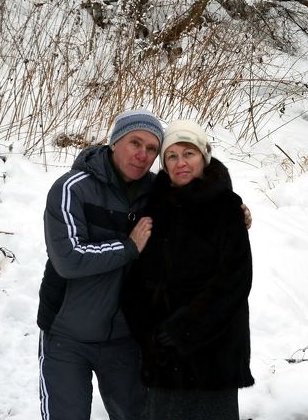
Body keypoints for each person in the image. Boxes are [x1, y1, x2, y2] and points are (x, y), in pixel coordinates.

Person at [36, 109, 250, 420]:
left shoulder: (155, 191)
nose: (142, 155)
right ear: (113, 143)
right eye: (135, 143)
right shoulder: (72, 188)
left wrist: (235, 208)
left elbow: (198, 194)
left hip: (123, 338)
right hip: (68, 333)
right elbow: (69, 259)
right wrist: (129, 247)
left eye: (152, 149)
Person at [123, 119, 254, 420]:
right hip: (162, 354)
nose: (181, 162)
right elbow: (136, 278)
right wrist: (149, 334)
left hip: (213, 351)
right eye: (172, 156)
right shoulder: (152, 207)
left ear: (204, 157)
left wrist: (184, 329)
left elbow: (234, 281)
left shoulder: (226, 207)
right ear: (164, 164)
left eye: (189, 154)